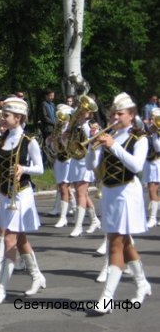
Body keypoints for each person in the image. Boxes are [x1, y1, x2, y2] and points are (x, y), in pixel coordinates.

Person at [0, 97, 45, 306]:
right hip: (4, 194)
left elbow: (40, 168)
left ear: (18, 118)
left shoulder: (29, 141)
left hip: (21, 195)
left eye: (6, 115)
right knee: (19, 238)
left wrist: (25, 169)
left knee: (9, 239)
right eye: (2, 115)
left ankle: (1, 287)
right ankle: (37, 275)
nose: (2, 118)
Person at [86, 92, 151, 314]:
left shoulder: (139, 139)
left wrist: (113, 145)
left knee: (115, 243)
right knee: (125, 244)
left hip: (127, 194)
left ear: (131, 115)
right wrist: (91, 147)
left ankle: (106, 298)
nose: (114, 117)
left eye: (119, 114)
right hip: (110, 194)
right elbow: (90, 167)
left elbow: (136, 166)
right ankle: (142, 283)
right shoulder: (109, 136)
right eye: (112, 113)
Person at [65, 96, 101, 237]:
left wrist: (83, 125)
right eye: (80, 109)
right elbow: (69, 143)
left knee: (80, 193)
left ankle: (78, 226)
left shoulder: (92, 125)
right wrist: (66, 135)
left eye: (84, 110)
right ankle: (94, 220)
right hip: (75, 160)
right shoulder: (75, 125)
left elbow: (93, 141)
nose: (81, 111)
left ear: (90, 112)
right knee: (83, 194)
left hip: (86, 162)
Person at [51, 104, 75, 227]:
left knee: (64, 187)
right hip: (59, 158)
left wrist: (66, 139)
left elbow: (74, 146)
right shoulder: (58, 127)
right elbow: (53, 145)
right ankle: (75, 208)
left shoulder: (71, 129)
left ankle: (63, 217)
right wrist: (50, 140)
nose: (60, 119)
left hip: (68, 159)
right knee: (62, 187)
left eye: (63, 116)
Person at [142, 107, 160, 228]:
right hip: (149, 162)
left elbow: (158, 148)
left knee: (154, 189)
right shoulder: (149, 130)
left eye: (155, 118)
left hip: (157, 162)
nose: (152, 120)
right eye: (151, 117)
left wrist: (154, 134)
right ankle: (153, 217)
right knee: (151, 189)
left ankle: (153, 218)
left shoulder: (156, 132)